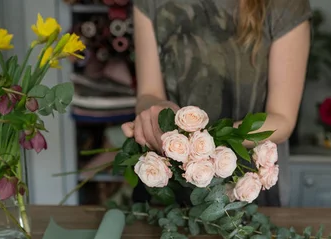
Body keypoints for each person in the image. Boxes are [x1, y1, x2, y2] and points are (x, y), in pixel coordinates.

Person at [122, 0, 312, 206]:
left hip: (245, 187)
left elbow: (282, 120)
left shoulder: (285, 5)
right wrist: (158, 114)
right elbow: (148, 94)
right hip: (166, 180)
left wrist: (199, 143)